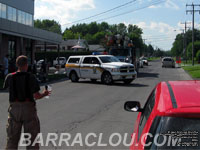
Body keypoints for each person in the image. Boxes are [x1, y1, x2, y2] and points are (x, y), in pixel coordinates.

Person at [3, 55, 51, 149]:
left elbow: (6, 88)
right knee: (32, 139)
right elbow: (36, 96)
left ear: (17, 64)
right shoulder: (31, 77)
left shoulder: (9, 77)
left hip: (14, 109)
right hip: (28, 109)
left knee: (12, 139)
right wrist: (45, 94)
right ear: (26, 65)